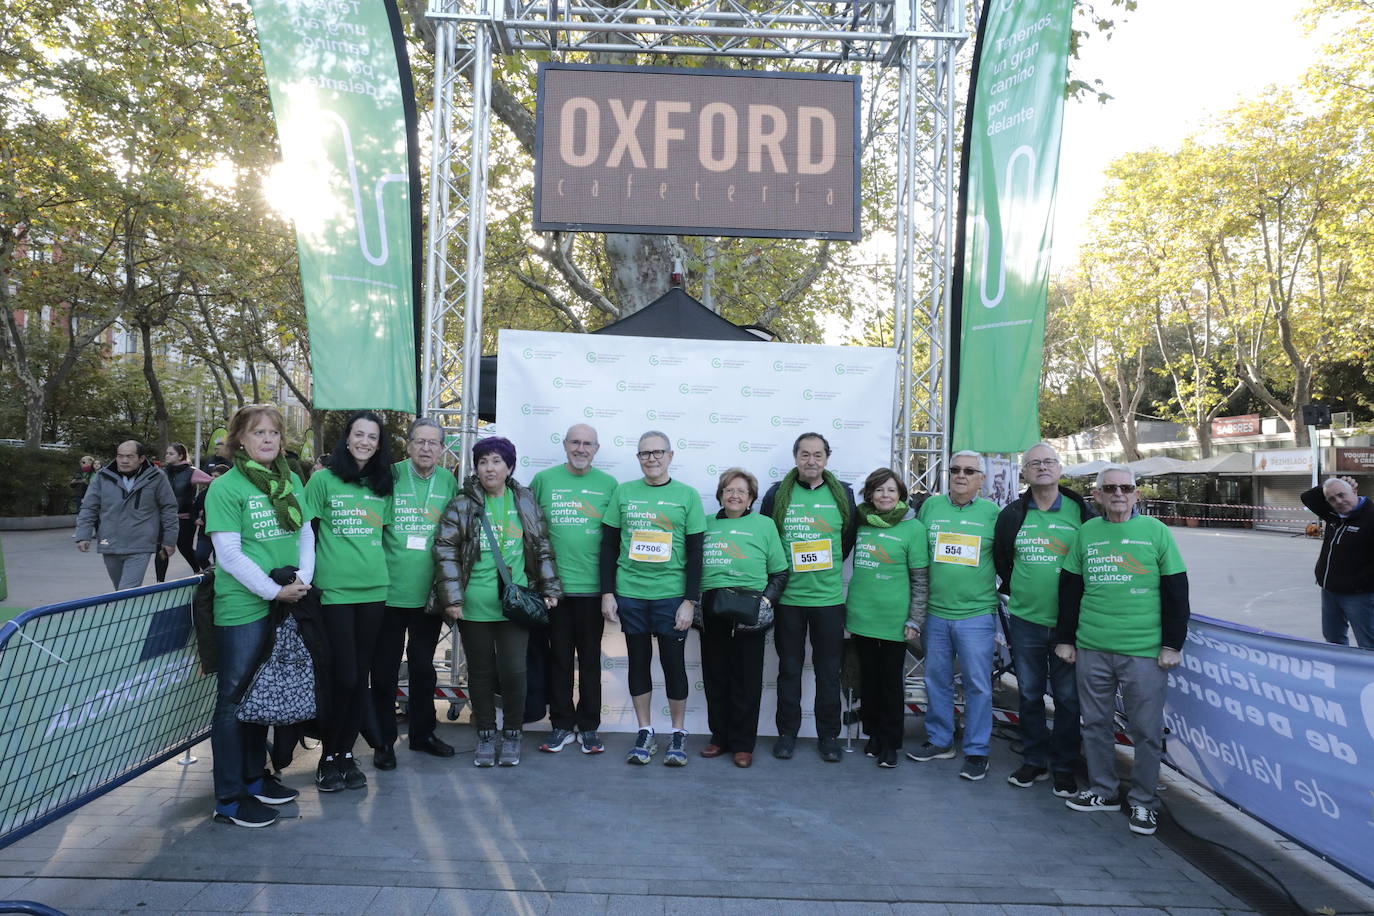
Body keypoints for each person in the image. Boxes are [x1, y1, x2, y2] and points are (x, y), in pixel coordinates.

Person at [1056, 464, 1190, 836]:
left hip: (1144, 651)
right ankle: (1103, 790)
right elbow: (1070, 589)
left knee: (1145, 731)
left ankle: (1144, 802)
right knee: (1095, 724)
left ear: (1136, 494)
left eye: (1126, 488)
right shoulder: (1086, 533)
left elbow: (1177, 592)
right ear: (1096, 495)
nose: (1118, 494)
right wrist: (1065, 639)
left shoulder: (1156, 532)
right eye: (1110, 488)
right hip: (1092, 647)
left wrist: (1171, 645)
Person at [204, 404, 313, 828]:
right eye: (258, 432)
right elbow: (228, 555)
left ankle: (253, 778)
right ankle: (229, 799)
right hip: (245, 606)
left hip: (284, 600)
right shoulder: (227, 488)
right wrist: (274, 591)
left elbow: (305, 533)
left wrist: (302, 578)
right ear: (240, 440)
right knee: (234, 701)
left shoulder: (289, 482)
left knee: (257, 698)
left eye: (273, 433)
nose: (267, 439)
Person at [433, 436, 561, 767]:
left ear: (509, 466)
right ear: (476, 468)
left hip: (514, 604)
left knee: (515, 672)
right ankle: (487, 735)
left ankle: (513, 733)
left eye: (496, 461)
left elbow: (542, 545)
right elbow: (445, 550)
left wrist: (550, 588)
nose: (489, 468)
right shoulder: (463, 504)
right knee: (480, 673)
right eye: (483, 461)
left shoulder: (526, 500)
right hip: (472, 605)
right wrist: (452, 598)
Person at [992, 443, 1094, 796]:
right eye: (1034, 463)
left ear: (1060, 468)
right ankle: (1034, 760)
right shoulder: (1014, 513)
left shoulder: (1081, 512)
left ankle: (1064, 767)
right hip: (1025, 620)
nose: (1042, 467)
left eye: (1048, 461)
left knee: (1067, 699)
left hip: (1069, 624)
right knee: (1030, 694)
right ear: (1025, 472)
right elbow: (1003, 559)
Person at [600, 431, 706, 766]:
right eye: (645, 453)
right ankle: (645, 731)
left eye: (658, 452)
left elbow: (696, 552)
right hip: (631, 595)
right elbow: (608, 546)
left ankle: (677, 733)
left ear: (670, 456)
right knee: (638, 662)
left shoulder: (687, 496)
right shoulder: (624, 492)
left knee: (674, 665)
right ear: (638, 458)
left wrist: (690, 600)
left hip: (671, 597)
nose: (652, 458)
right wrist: (607, 592)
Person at [301, 411, 394, 792]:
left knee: (360, 679)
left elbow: (387, 539)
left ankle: (346, 755)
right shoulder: (322, 481)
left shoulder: (382, 484)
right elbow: (306, 533)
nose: (365, 442)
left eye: (372, 437)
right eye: (359, 434)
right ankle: (327, 756)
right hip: (334, 593)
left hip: (374, 591)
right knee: (342, 676)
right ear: (347, 438)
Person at [759, 432, 857, 763]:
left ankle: (828, 736)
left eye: (817, 455)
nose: (811, 460)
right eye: (804, 454)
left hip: (828, 599)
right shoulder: (777, 494)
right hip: (788, 600)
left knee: (828, 672)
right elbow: (768, 539)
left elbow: (847, 540)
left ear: (826, 458)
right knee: (789, 669)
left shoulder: (842, 493)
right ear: (795, 457)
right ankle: (787, 733)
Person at [367, 418, 458, 770]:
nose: (425, 448)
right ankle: (383, 742)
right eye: (419, 441)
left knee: (423, 668)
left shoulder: (448, 481)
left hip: (428, 596)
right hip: (388, 593)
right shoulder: (389, 476)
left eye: (433, 443)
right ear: (408, 445)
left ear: (441, 448)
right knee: (385, 670)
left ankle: (423, 734)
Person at [911, 450, 1000, 781]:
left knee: (978, 684)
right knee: (936, 681)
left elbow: (1005, 557)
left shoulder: (993, 513)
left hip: (976, 614)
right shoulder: (931, 507)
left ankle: (977, 751)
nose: (960, 475)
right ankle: (939, 740)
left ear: (981, 478)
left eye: (969, 471)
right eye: (955, 469)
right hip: (935, 613)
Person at [530, 423, 618, 755]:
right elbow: (531, 533)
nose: (581, 449)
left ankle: (589, 728)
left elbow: (614, 541)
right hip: (555, 592)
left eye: (588, 444)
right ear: (564, 444)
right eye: (575, 442)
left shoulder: (609, 485)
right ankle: (562, 726)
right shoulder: (544, 481)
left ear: (597, 449)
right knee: (559, 661)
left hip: (593, 591)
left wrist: (611, 589)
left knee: (591, 662)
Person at [699, 467, 789, 768]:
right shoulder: (705, 524)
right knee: (715, 676)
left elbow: (779, 571)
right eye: (729, 490)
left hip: (750, 610)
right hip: (713, 609)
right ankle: (719, 738)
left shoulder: (764, 525)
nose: (735, 495)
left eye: (742, 491)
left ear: (751, 498)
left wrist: (765, 603)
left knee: (746, 680)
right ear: (720, 495)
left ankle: (742, 744)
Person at [847, 468, 929, 769]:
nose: (885, 496)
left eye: (891, 491)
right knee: (868, 681)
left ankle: (891, 742)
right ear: (870, 494)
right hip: (861, 615)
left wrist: (914, 620)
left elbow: (920, 581)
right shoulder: (861, 522)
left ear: (901, 496)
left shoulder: (914, 529)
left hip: (896, 620)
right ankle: (873, 736)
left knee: (891, 683)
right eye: (879, 490)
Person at [74, 440, 179, 590]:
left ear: (141, 459)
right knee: (120, 591)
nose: (124, 460)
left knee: (126, 591)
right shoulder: (103, 476)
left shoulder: (157, 477)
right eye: (120, 456)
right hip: (109, 541)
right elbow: (89, 506)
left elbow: (169, 508)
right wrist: (83, 534)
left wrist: (169, 540)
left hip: (141, 543)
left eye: (129, 456)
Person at [1299, 476, 1374, 649]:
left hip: (1359, 596)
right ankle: (1340, 672)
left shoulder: (1370, 517)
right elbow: (1307, 497)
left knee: (1368, 643)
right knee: (1333, 639)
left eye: (1342, 494)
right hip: (1329, 592)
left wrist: (1357, 583)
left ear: (1354, 491)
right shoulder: (1333, 514)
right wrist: (1336, 481)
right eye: (1332, 499)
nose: (1338, 501)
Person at [155, 443, 209, 582]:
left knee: (185, 548)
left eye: (171, 453)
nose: (167, 456)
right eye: (167, 453)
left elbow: (214, 482)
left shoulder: (192, 472)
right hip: (165, 518)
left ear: (181, 456)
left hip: (184, 519)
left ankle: (200, 572)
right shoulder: (162, 472)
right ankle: (159, 583)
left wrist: (202, 505)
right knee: (162, 549)